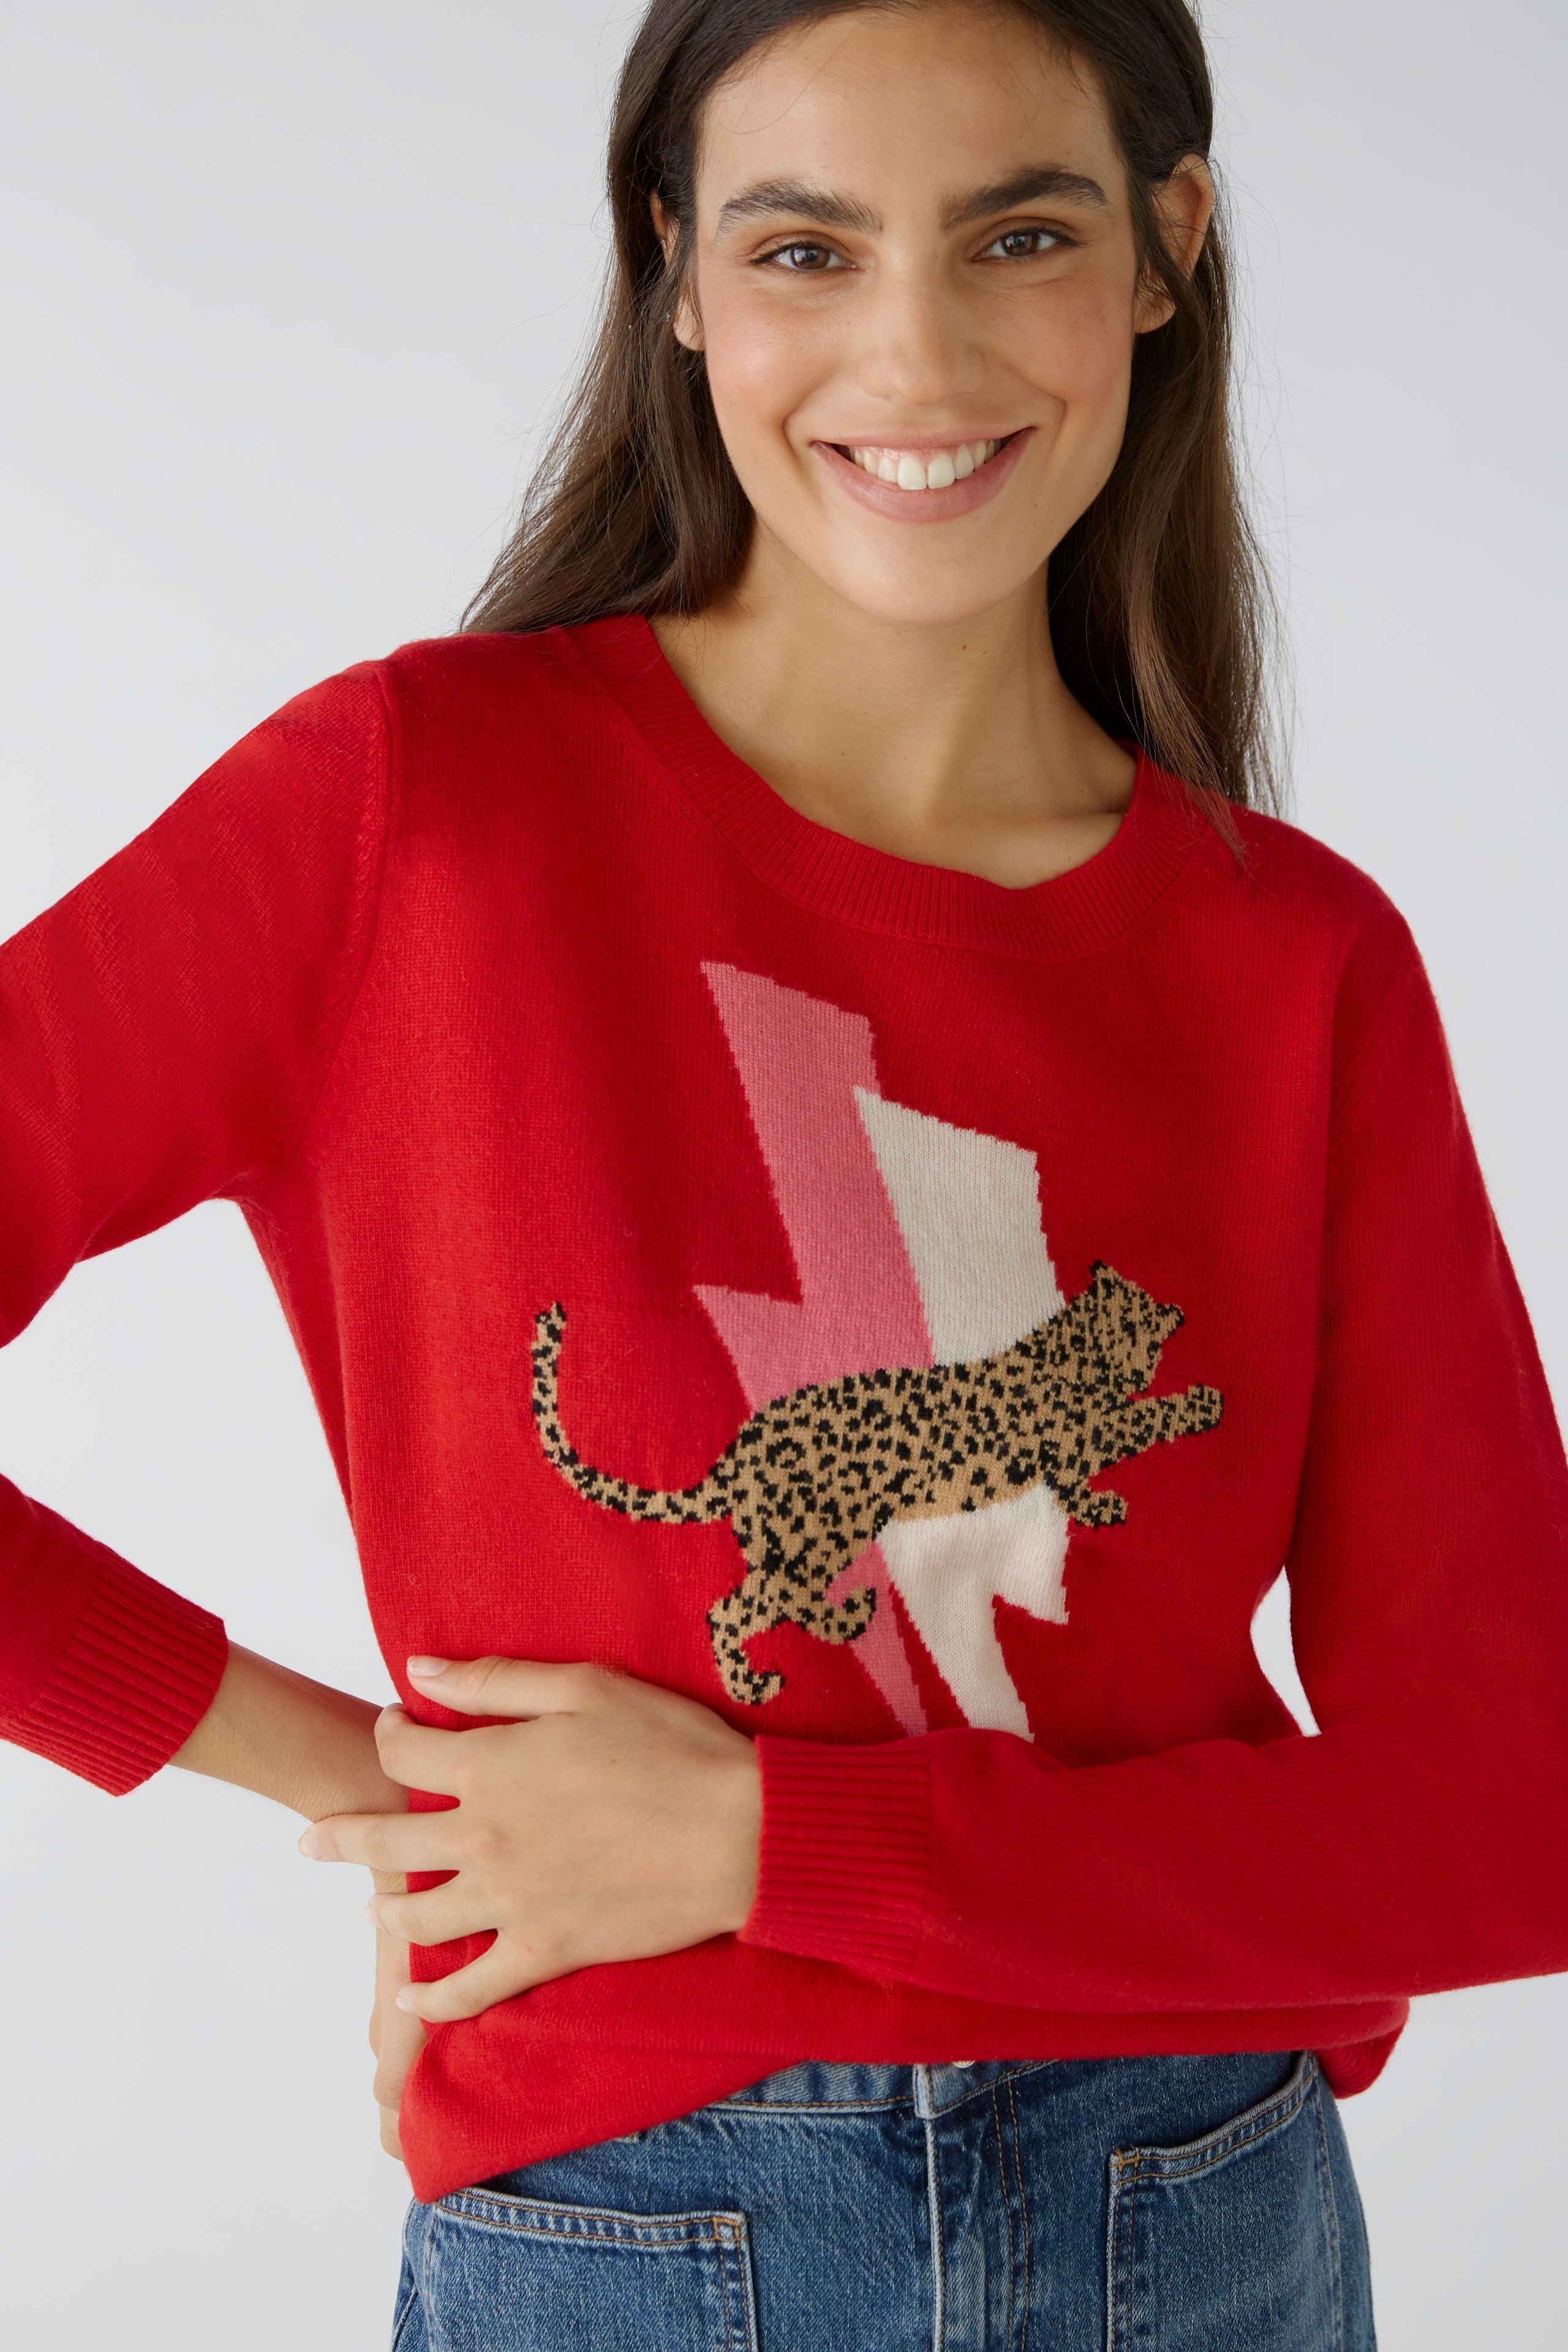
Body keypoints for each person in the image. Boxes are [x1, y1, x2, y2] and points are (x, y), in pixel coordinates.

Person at [4, 0, 1566, 2344]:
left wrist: (775, 1841)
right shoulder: (413, 812)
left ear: (1169, 245)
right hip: (636, 2228)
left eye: (1018, 235)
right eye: (806, 248)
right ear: (676, 271)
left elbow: (1515, 1813)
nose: (915, 356)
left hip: (1201, 2214)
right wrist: (374, 1785)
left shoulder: (1298, 961)